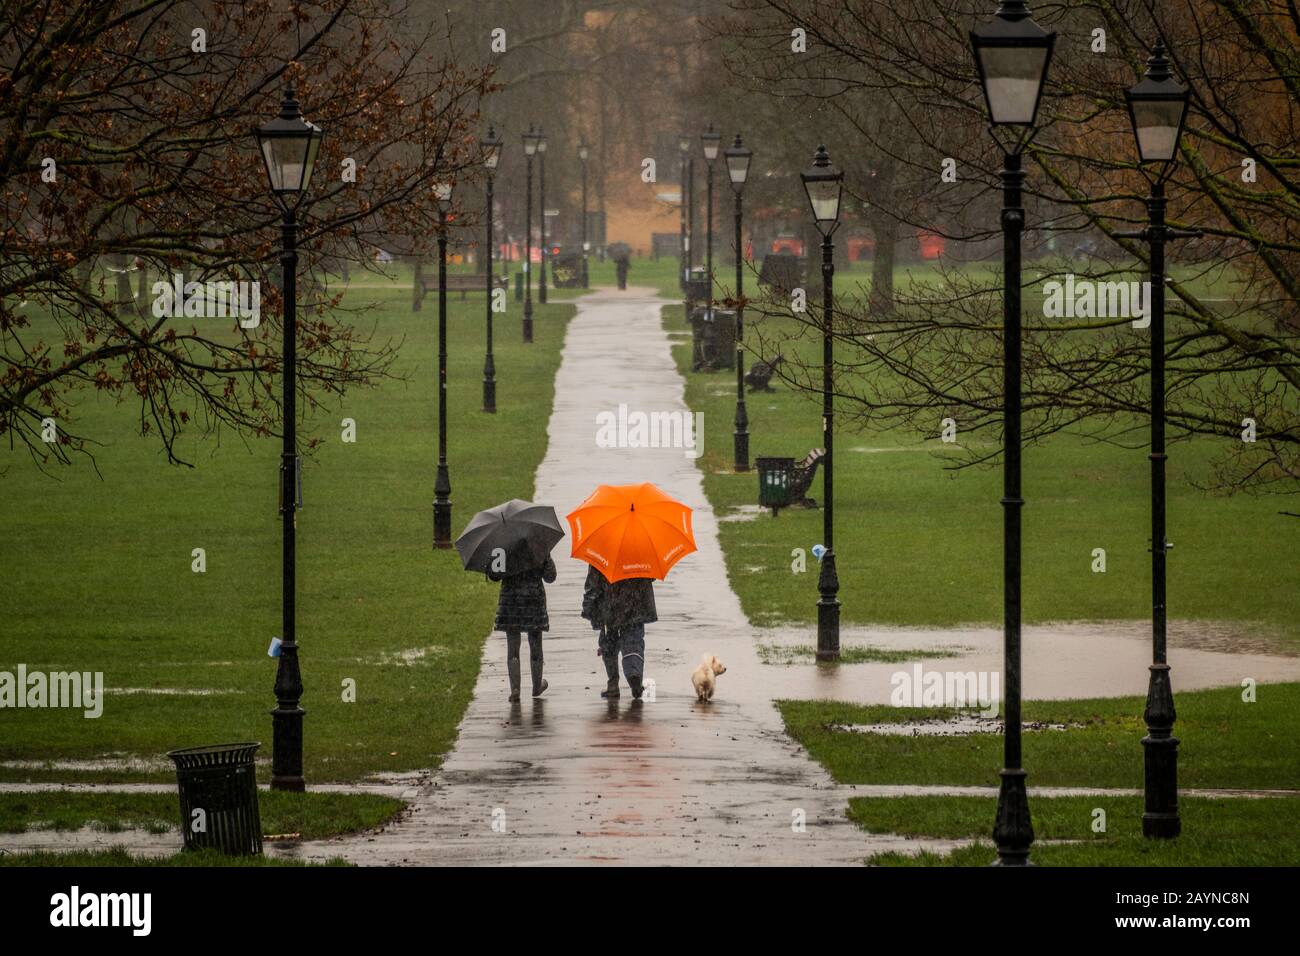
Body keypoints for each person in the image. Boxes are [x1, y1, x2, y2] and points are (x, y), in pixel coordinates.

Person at [487, 553, 557, 702]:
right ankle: (537, 685)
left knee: (513, 649)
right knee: (536, 646)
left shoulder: (504, 546)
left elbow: (494, 575)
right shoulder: (538, 545)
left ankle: (515, 689)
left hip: (511, 601)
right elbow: (550, 577)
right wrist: (546, 557)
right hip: (534, 601)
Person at [594, 574, 657, 700]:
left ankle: (613, 684)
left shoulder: (603, 557)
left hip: (610, 604)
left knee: (609, 642)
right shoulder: (642, 556)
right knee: (633, 640)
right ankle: (634, 675)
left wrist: (591, 609)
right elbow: (651, 576)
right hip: (636, 603)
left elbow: (592, 584)